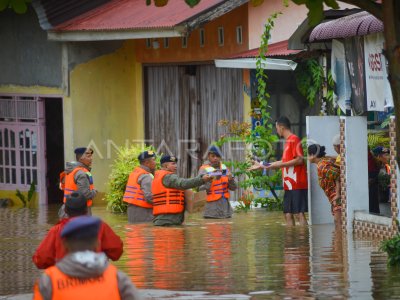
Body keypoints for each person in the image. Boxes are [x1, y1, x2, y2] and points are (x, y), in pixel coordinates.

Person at [33, 216, 141, 300]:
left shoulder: (48, 280)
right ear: (97, 243)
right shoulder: (118, 278)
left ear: (65, 244)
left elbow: (41, 258)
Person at [32, 191, 123, 269]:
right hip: (96, 279)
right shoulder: (100, 226)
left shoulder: (56, 231)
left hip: (64, 281)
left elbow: (41, 260)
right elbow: (116, 251)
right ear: (86, 209)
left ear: (66, 210)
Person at [250, 116, 308, 226]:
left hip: (297, 183)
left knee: (299, 213)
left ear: (281, 127)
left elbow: (299, 160)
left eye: (276, 128)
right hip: (289, 184)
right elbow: (281, 162)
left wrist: (282, 164)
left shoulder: (294, 139)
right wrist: (262, 166)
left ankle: (303, 241)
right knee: (287, 214)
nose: (276, 130)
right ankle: (291, 241)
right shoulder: (287, 142)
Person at [152, 155, 213, 226]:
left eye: (176, 163)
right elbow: (183, 184)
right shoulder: (168, 177)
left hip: (163, 219)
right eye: (173, 164)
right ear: (166, 166)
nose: (176, 166)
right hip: (169, 220)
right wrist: (202, 179)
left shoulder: (157, 177)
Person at [307, 144, 342, 227]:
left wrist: (337, 194)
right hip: (335, 198)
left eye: (308, 155)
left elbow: (338, 175)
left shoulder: (322, 166)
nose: (307, 157)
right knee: (338, 223)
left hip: (337, 198)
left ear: (313, 155)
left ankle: (339, 240)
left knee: (338, 223)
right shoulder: (324, 161)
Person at [198, 145, 237, 219]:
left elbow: (234, 188)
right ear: (208, 156)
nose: (215, 158)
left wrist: (231, 179)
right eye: (213, 156)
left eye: (217, 156)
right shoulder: (204, 169)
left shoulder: (224, 168)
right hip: (211, 211)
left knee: (227, 230)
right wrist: (212, 179)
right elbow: (200, 190)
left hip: (226, 210)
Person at [59, 147, 97, 218]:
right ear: (81, 158)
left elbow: (62, 187)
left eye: (91, 156)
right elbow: (85, 195)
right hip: (79, 212)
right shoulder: (81, 173)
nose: (91, 158)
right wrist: (95, 192)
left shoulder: (68, 171)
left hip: (67, 210)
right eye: (88, 156)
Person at [123, 150, 156, 223]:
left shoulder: (135, 173)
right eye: (153, 160)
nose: (155, 163)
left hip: (132, 210)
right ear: (147, 163)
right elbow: (149, 197)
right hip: (144, 212)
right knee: (146, 232)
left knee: (134, 232)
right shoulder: (146, 176)